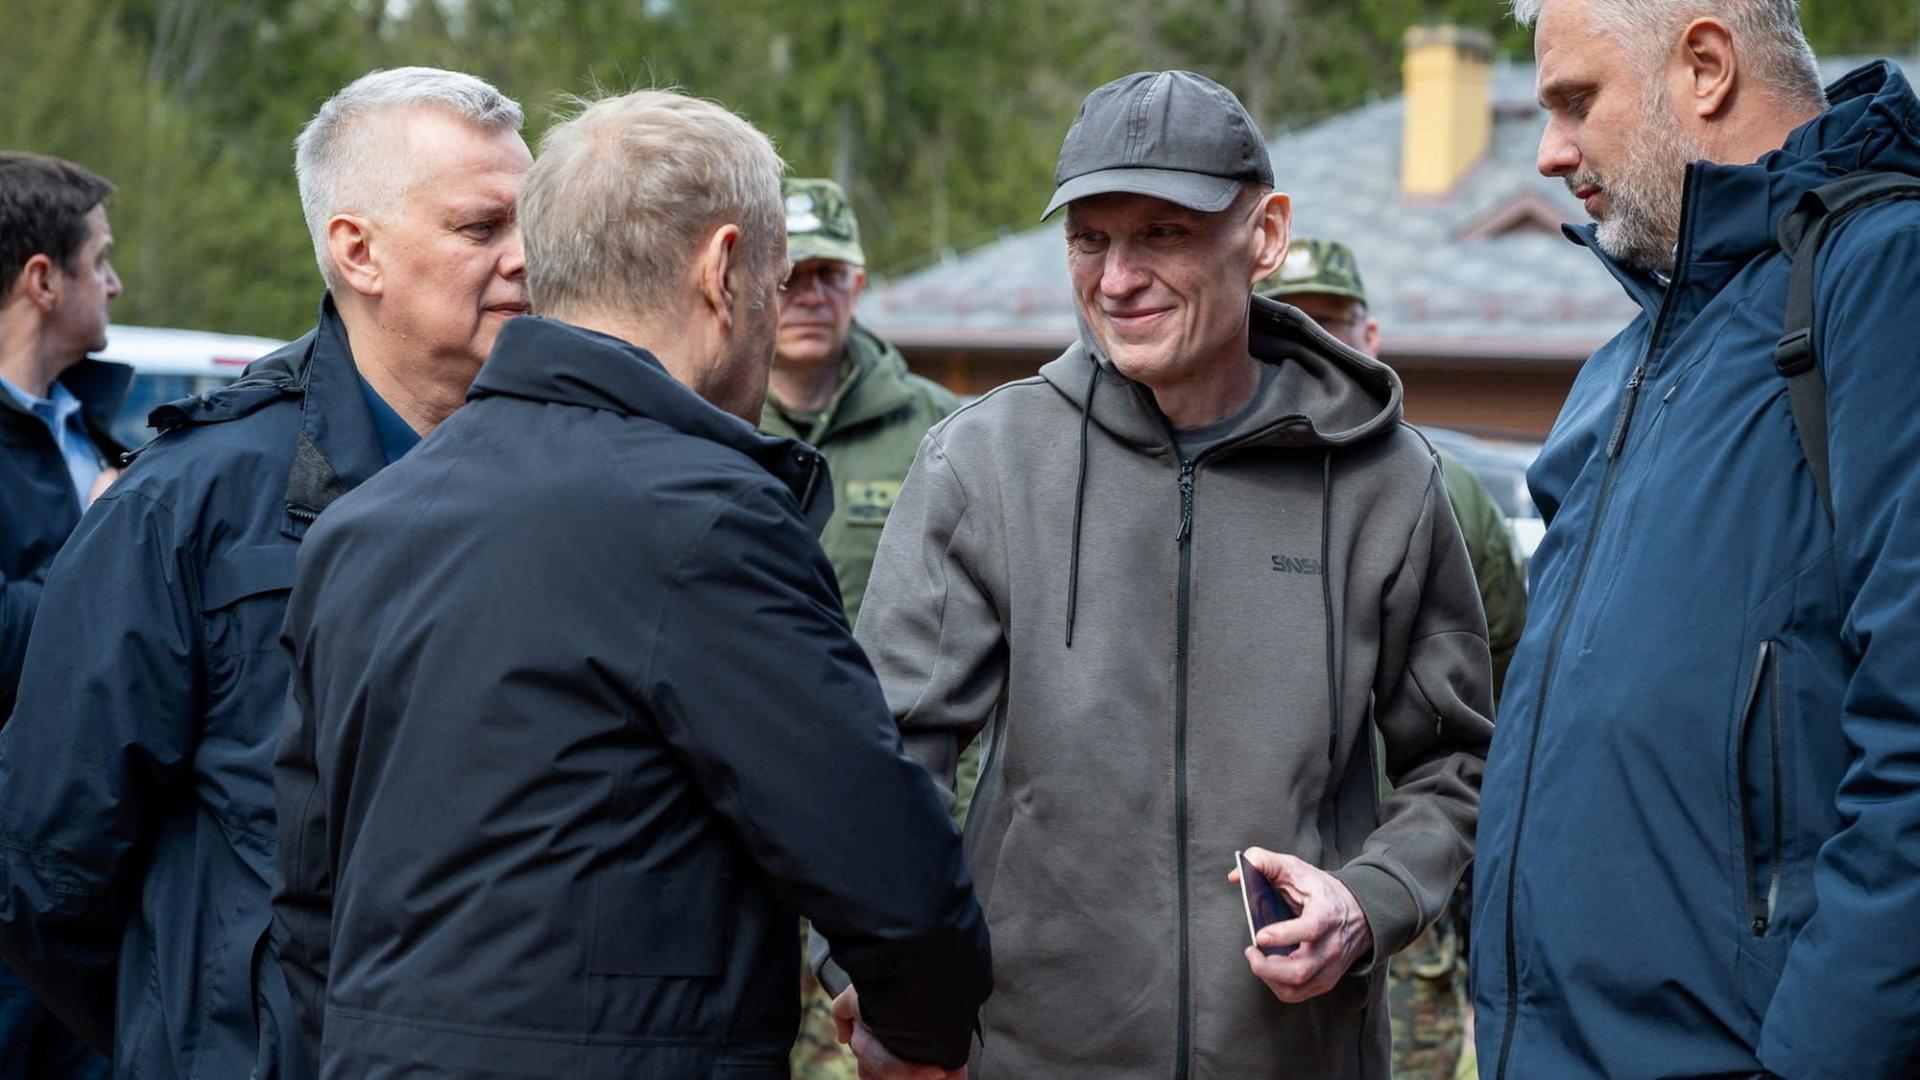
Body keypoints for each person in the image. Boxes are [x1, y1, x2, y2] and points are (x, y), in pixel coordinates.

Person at [273, 88, 992, 1080]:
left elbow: (310, 896)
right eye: (779, 281)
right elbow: (883, 863)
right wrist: (922, 1032)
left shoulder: (362, 526)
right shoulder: (704, 522)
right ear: (724, 270)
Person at [836, 69, 1492, 1078]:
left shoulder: (1385, 483)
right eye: (1090, 238)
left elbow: (1462, 765)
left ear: (1264, 235)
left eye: (1163, 234)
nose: (1116, 279)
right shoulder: (985, 464)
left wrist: (1368, 903)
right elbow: (878, 766)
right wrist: (890, 994)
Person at [0, 67, 530, 1079]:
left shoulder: (579, 478)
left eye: (533, 221)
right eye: (481, 228)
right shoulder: (190, 504)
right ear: (357, 250)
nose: (525, 258)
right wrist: (199, 1030)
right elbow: (48, 866)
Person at [1473, 2, 1920, 1078]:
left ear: (1707, 67)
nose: (1547, 153)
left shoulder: (1884, 276)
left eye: (1577, 101)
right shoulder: (1622, 365)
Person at [1260, 237, 1526, 1080]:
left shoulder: (1444, 493)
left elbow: (1505, 704)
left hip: (1404, 889)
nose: (1315, 336)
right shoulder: (1229, 479)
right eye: (1290, 316)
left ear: (1368, 335)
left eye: (1332, 319)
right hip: (1257, 884)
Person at [760, 178, 970, 1080]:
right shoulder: (703, 416)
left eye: (829, 274)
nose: (809, 295)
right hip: (748, 803)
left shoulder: (935, 429)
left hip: (886, 803)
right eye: (791, 273)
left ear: (859, 282)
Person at [0, 151, 125, 1080]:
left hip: (92, 881)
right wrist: (102, 554)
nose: (116, 283)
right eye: (101, 259)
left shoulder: (105, 433)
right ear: (43, 280)